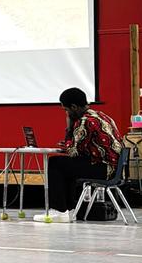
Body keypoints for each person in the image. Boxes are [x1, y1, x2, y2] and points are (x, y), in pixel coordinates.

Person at [34, 88, 124, 223]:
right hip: (115, 169)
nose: (66, 113)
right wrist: (70, 144)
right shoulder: (101, 115)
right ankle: (69, 210)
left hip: (104, 169)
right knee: (67, 166)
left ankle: (59, 210)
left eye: (66, 110)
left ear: (74, 107)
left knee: (55, 163)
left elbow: (73, 152)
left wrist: (69, 129)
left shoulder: (84, 121)